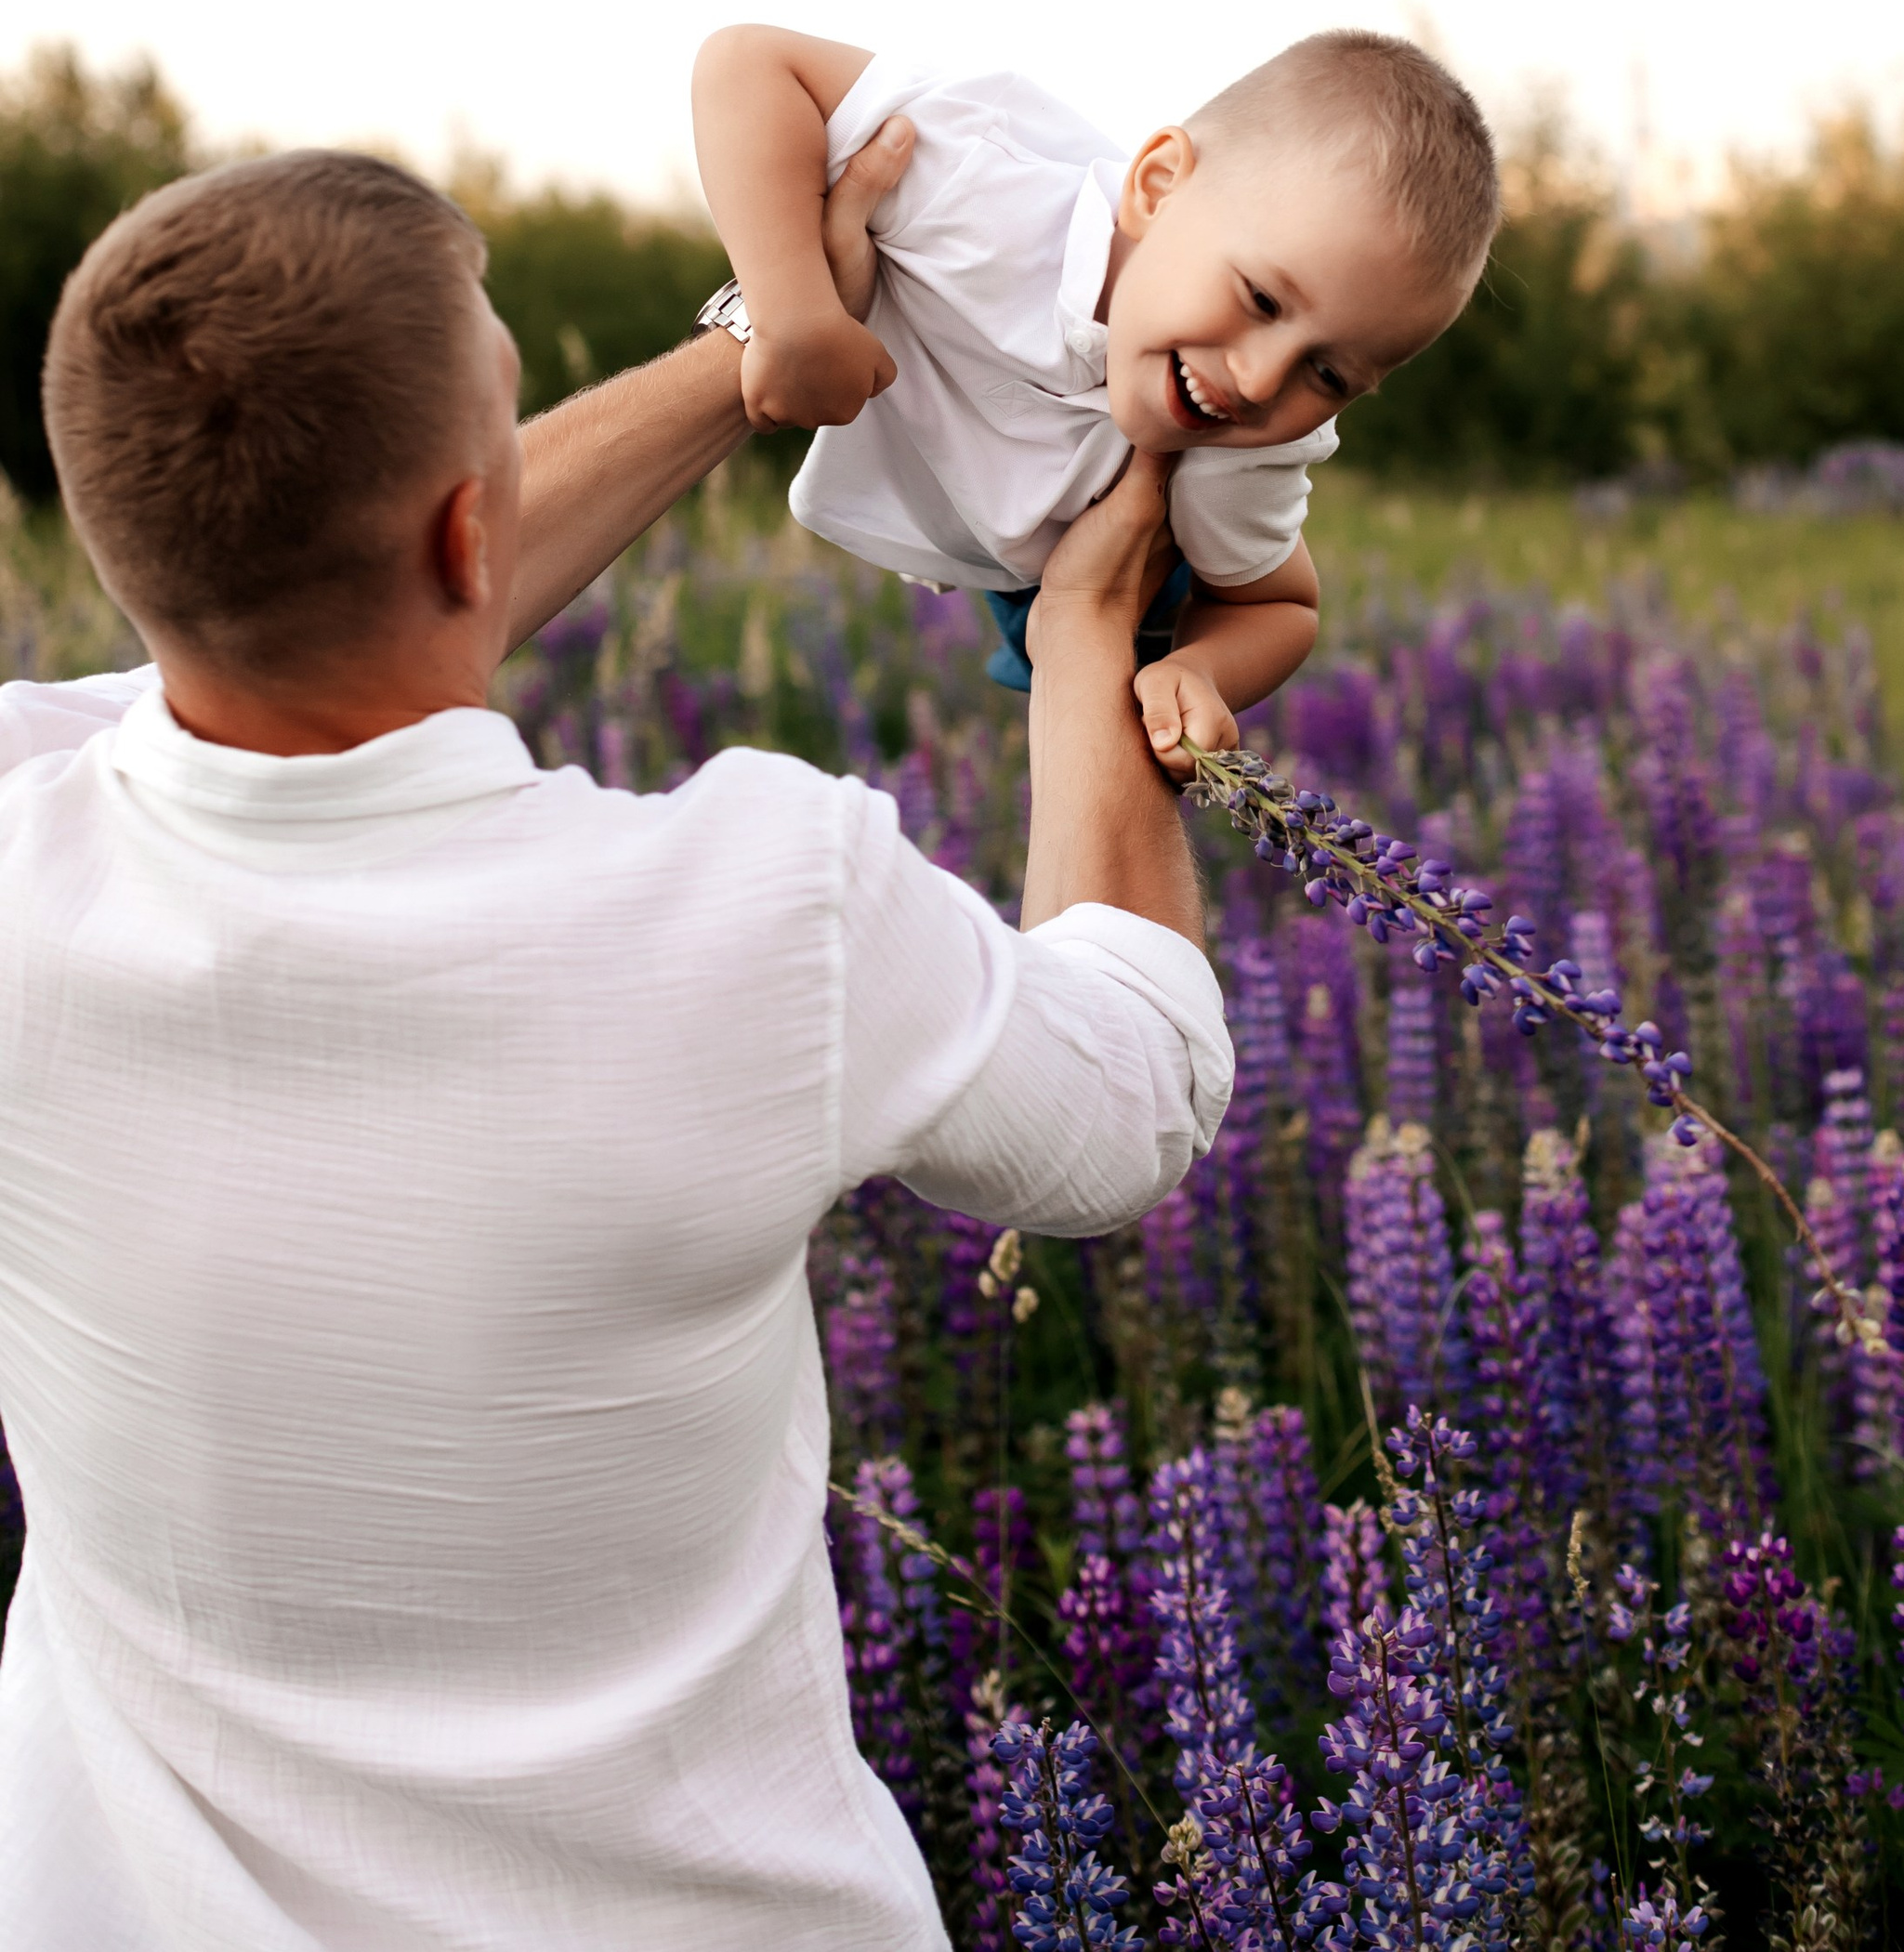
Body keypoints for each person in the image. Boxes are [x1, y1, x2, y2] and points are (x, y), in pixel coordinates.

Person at [0, 147, 1230, 1952]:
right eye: (507, 401)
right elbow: (1129, 1099)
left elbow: (301, 609)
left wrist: (767, 346)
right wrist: (1080, 652)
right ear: (464, 524)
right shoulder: (763, 909)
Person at [689, 27, 1499, 764]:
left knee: (1107, 741)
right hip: (986, 518)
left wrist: (1197, 670)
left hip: (1130, 582)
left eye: (1329, 376)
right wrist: (791, 307)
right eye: (1259, 299)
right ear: (1156, 186)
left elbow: (1279, 606)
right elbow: (747, 65)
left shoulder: (1242, 453)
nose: (1258, 382)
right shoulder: (988, 188)